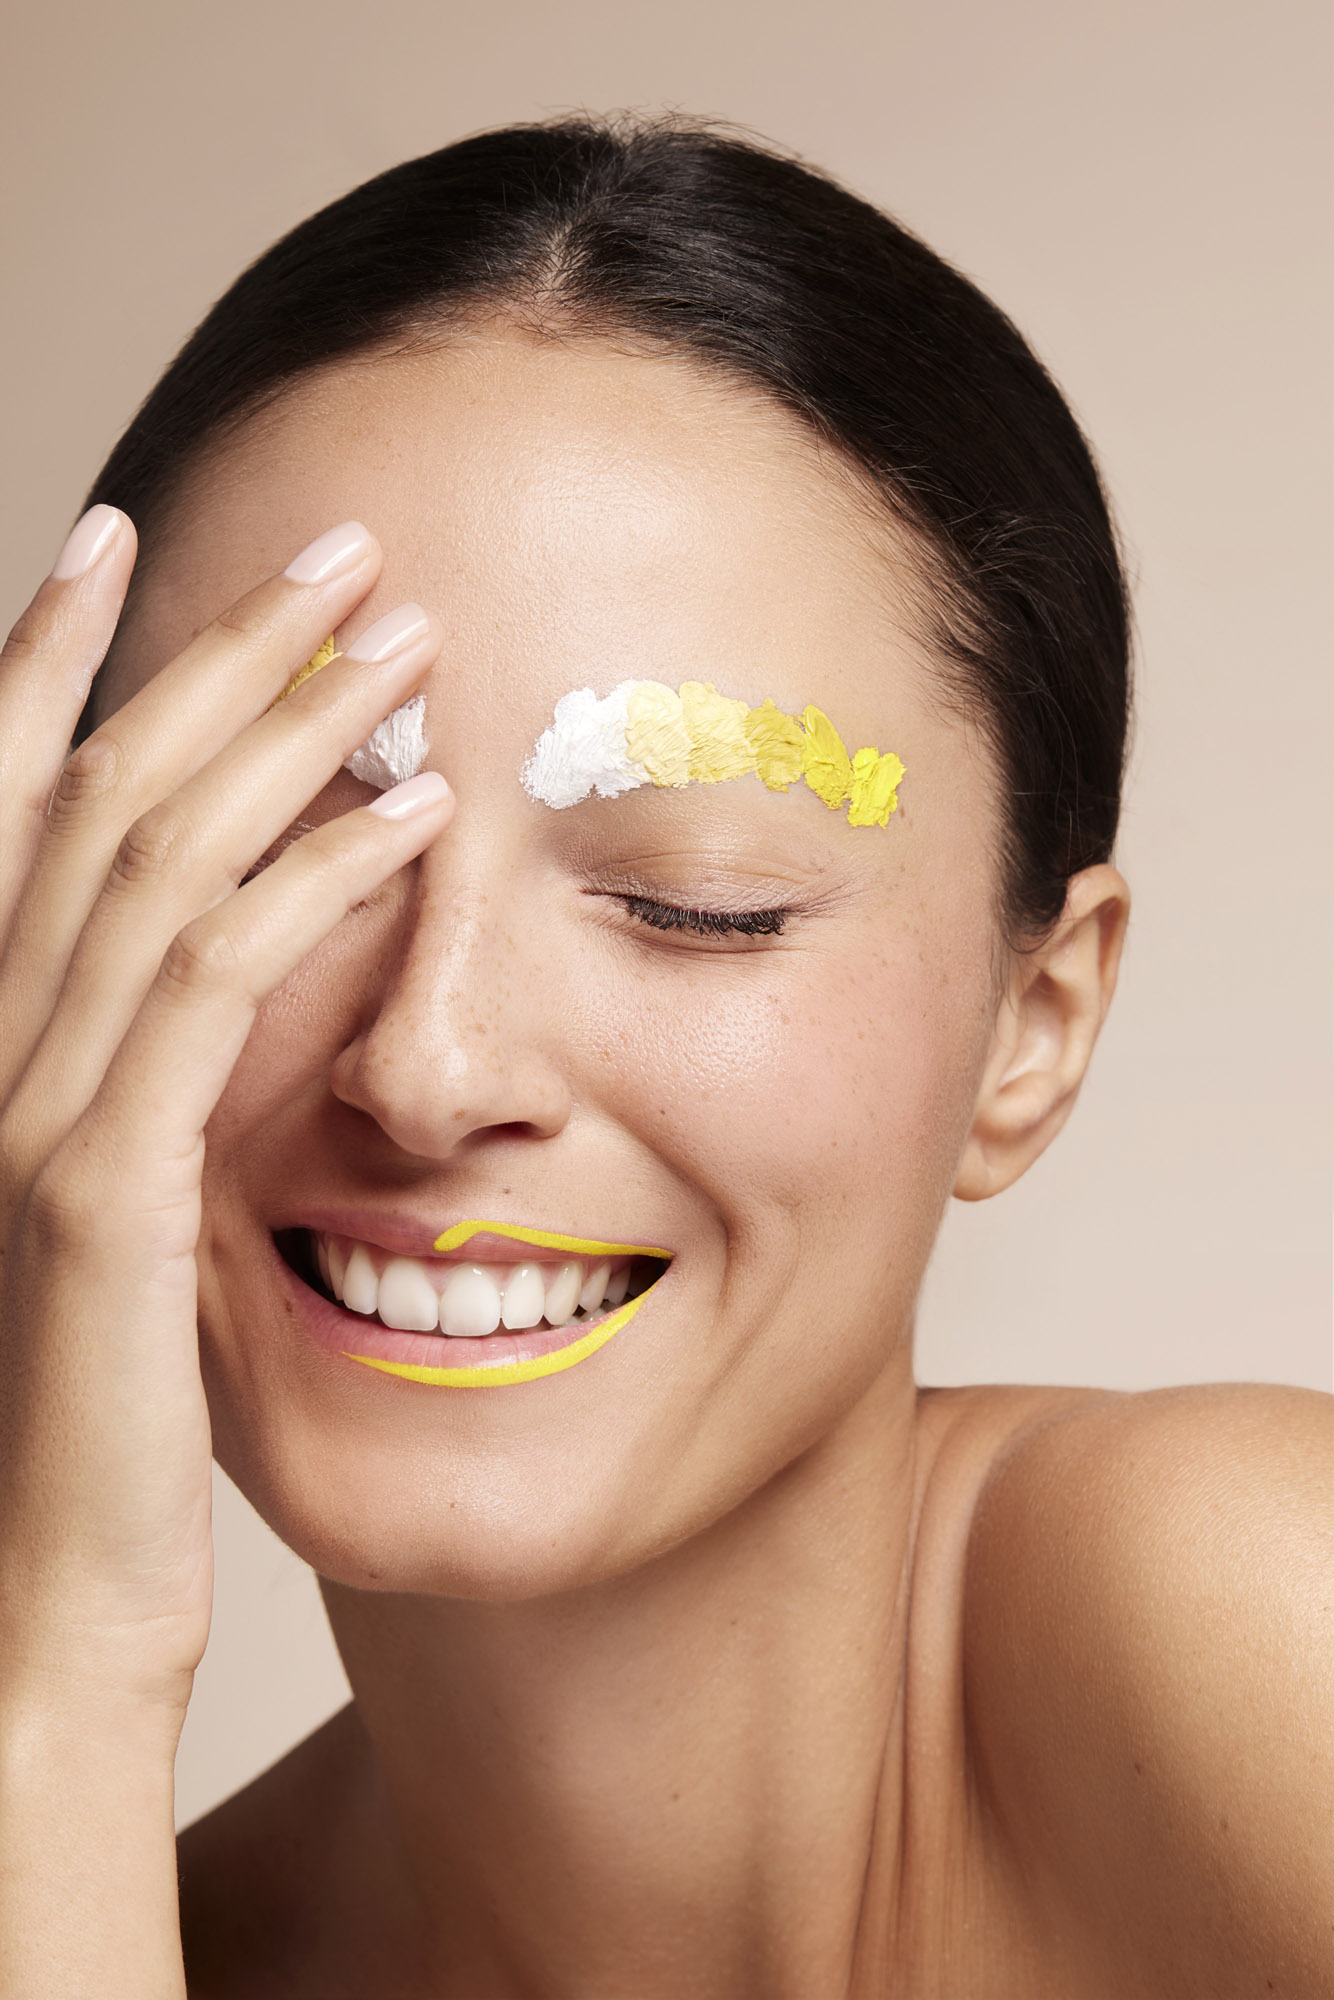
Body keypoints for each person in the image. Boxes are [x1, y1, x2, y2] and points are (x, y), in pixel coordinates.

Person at [0, 115, 1327, 2000]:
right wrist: (58, 1667)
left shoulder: (1262, 1630)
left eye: (697, 901)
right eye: (275, 855)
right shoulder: (96, 1923)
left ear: (1033, 1026)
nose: (429, 1066)